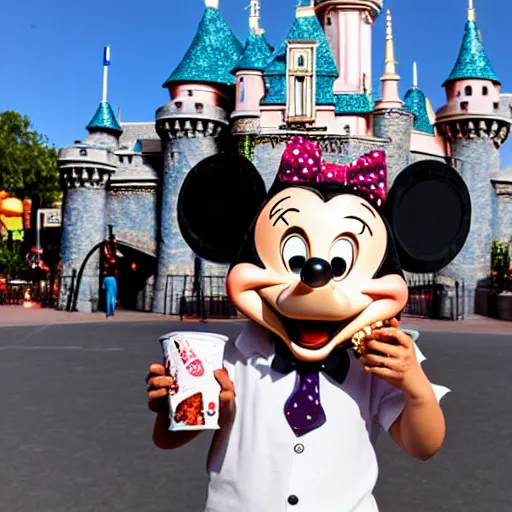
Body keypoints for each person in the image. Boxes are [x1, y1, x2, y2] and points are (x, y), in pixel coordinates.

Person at [146, 137, 471, 511]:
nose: (315, 274)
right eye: (297, 258)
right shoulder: (227, 359)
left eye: (338, 264)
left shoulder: (383, 362)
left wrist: (415, 385)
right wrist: (173, 408)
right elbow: (167, 440)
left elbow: (423, 445)